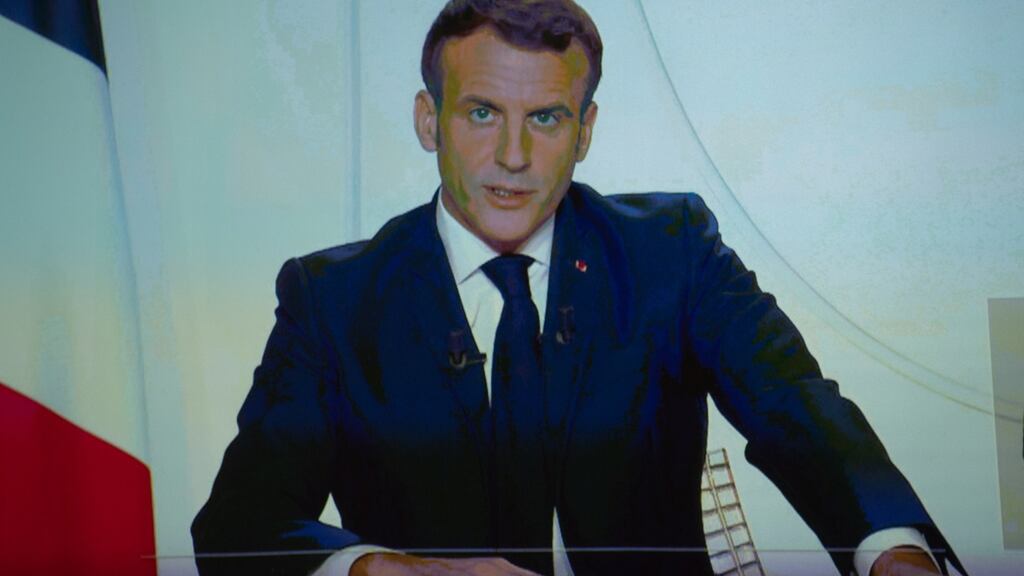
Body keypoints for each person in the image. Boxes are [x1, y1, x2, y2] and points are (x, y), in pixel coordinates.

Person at [192, 1, 964, 575]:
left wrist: (891, 549)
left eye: (548, 118)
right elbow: (237, 527)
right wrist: (382, 570)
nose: (515, 156)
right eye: (483, 113)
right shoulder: (332, 298)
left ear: (586, 130)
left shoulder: (672, 250)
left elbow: (799, 407)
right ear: (430, 121)